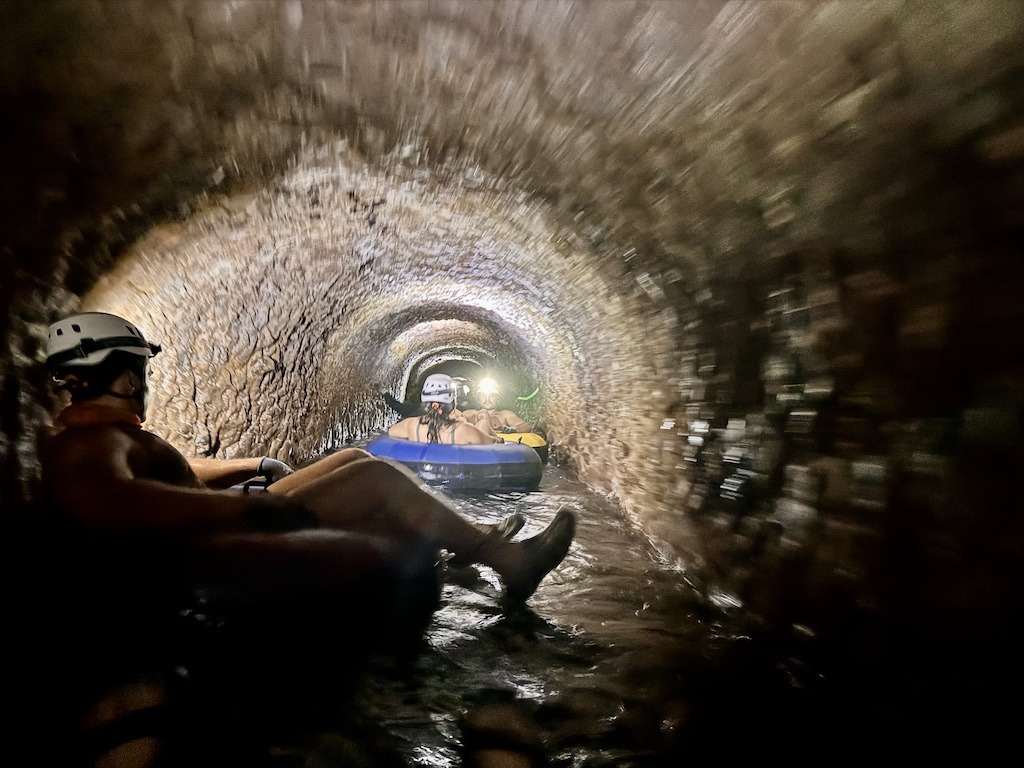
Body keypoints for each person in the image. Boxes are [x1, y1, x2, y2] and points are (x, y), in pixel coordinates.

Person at [40, 313, 576, 606]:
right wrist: (246, 510)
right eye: (142, 372)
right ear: (129, 377)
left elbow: (172, 473)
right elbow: (107, 500)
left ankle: (460, 546)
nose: (145, 383)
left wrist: (248, 463)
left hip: (221, 518)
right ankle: (503, 558)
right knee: (376, 476)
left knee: (349, 455)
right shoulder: (90, 445)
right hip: (217, 540)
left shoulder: (107, 433)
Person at [388, 374, 503, 445]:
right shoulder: (463, 430)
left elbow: (391, 432)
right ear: (452, 402)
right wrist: (499, 440)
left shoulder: (410, 425)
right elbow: (491, 442)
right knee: (483, 424)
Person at [463, 377, 533, 434]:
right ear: (478, 398)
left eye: (492, 395)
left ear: (497, 398)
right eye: (483, 395)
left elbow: (526, 426)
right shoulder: (469, 414)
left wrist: (514, 428)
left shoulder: (504, 415)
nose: (487, 399)